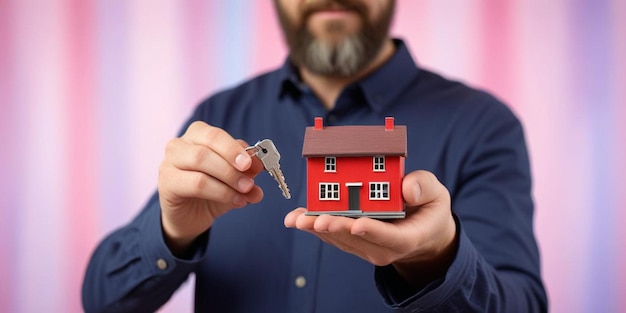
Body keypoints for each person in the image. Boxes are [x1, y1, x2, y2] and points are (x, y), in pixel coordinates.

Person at [82, 0, 548, 312]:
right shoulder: (219, 115)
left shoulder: (482, 124)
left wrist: (437, 260)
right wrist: (172, 232)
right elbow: (102, 299)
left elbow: (523, 303)